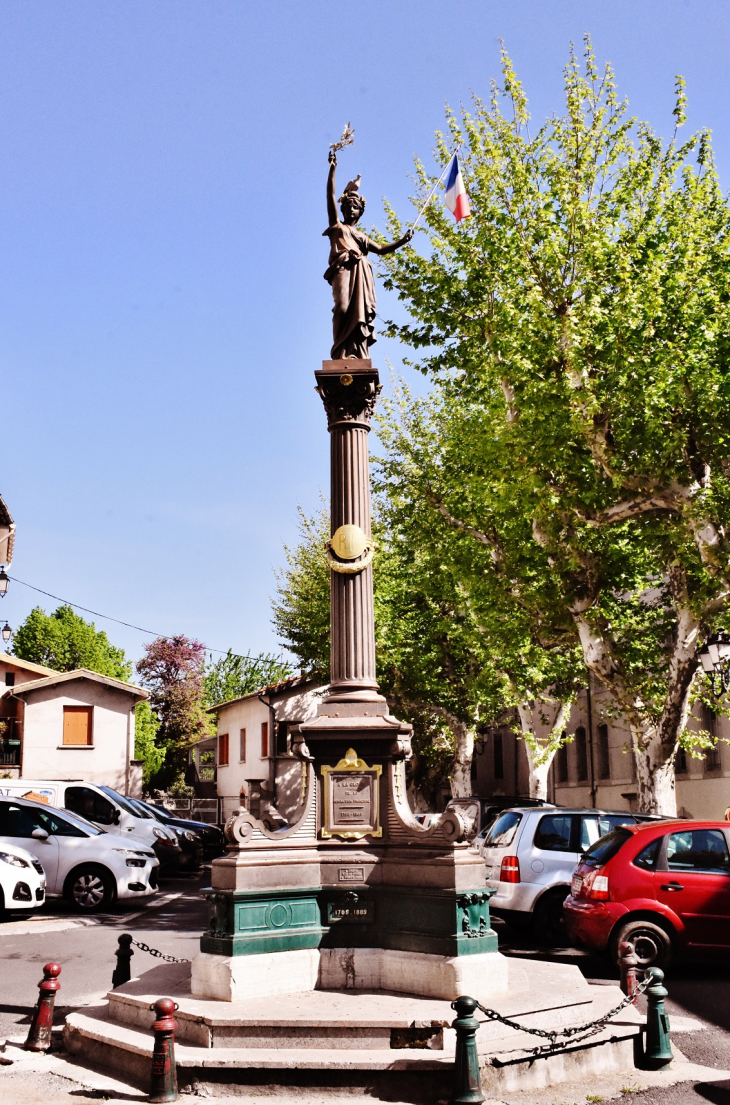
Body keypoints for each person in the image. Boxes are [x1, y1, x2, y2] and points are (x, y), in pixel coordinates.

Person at [324, 150, 413, 360]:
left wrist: (403, 240)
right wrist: (332, 170)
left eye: (355, 207)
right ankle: (339, 352)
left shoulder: (361, 237)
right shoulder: (337, 226)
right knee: (342, 308)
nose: (351, 209)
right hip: (343, 269)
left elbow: (381, 249)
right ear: (343, 208)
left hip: (361, 272)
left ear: (360, 212)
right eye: (347, 206)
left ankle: (357, 352)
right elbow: (329, 196)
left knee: (359, 312)